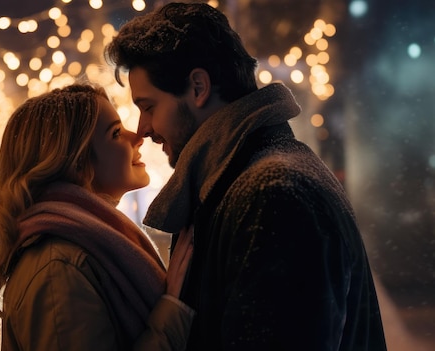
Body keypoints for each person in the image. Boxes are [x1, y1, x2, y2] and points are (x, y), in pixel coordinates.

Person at [104, 2, 387, 350]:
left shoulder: (272, 196)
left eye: (149, 107)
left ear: (198, 87)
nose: (143, 129)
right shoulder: (243, 181)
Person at [0, 83, 195, 351]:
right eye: (116, 133)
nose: (137, 137)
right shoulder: (58, 269)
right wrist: (172, 314)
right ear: (77, 162)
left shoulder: (83, 247)